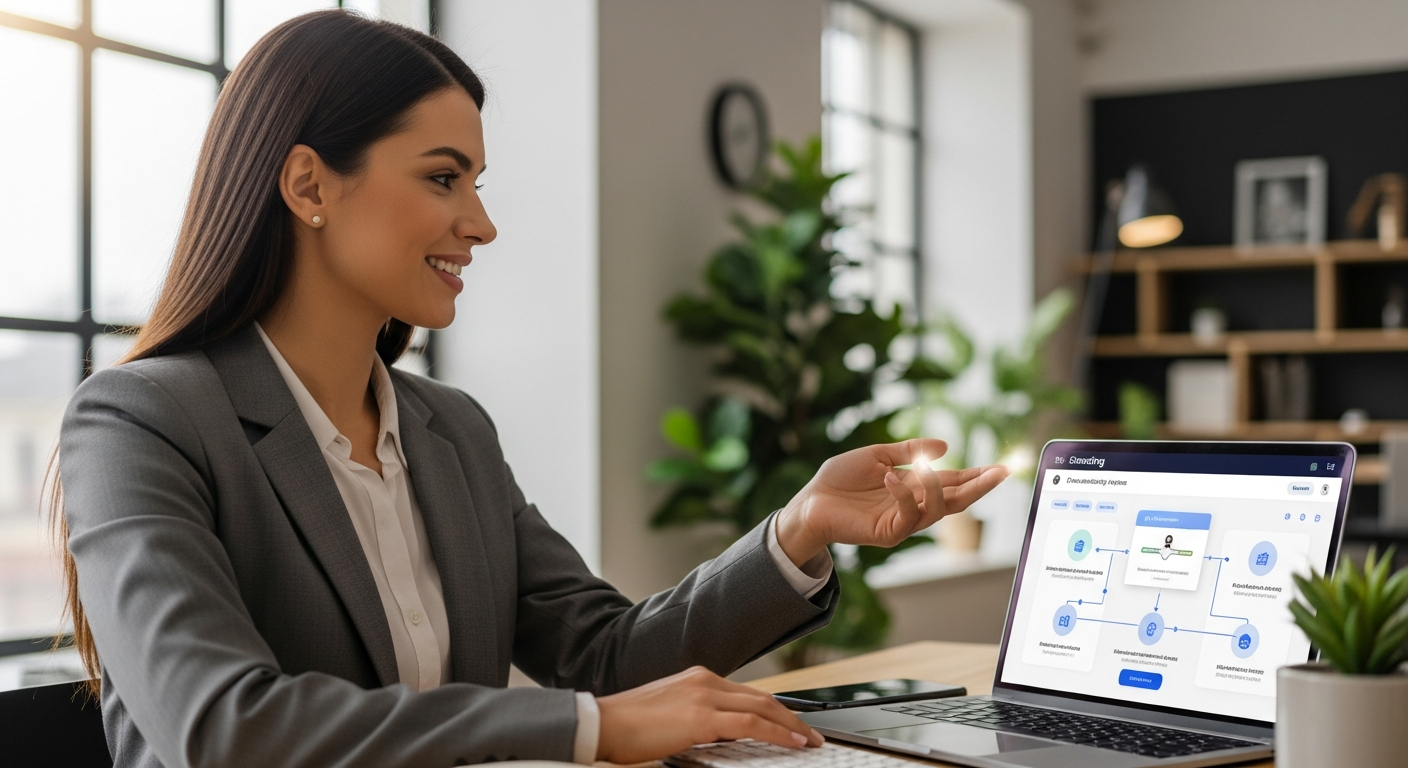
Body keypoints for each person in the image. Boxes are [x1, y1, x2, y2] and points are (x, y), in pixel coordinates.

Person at [53, 11, 1008, 768]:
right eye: (443, 178)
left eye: (476, 181)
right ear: (309, 185)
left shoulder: (450, 430)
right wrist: (589, 728)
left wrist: (799, 530)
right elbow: (222, 726)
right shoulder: (141, 421)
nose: (481, 224)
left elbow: (605, 656)